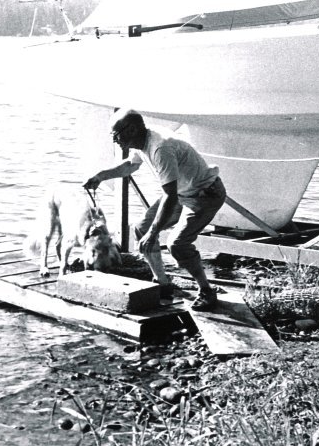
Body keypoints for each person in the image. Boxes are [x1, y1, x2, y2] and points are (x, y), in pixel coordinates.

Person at [83, 108, 226, 311]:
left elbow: (170, 196)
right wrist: (100, 176)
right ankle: (162, 283)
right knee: (141, 228)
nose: (114, 140)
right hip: (183, 192)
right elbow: (130, 166)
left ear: (131, 129)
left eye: (116, 135)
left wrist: (154, 233)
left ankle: (206, 291)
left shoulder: (160, 148)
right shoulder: (143, 140)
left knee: (177, 244)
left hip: (205, 194)